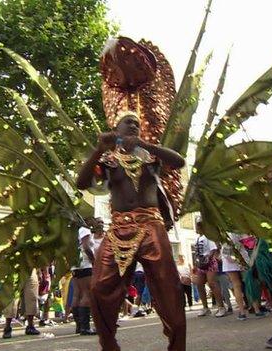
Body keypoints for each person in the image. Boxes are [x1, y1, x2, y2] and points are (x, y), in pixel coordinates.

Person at [76, 110, 186, 351]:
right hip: (117, 228)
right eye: (129, 122)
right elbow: (81, 183)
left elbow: (179, 161)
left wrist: (147, 145)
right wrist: (98, 150)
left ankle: (177, 346)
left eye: (137, 123)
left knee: (169, 288)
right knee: (98, 287)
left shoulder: (150, 157)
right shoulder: (108, 160)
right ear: (117, 129)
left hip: (151, 226)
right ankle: (109, 345)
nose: (134, 125)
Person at [70, 218, 103, 335]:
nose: (95, 224)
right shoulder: (85, 230)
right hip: (85, 264)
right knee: (87, 293)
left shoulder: (74, 232)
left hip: (75, 265)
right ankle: (85, 327)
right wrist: (94, 261)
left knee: (77, 293)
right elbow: (86, 246)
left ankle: (79, 326)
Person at [193, 222, 227, 318]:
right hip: (201, 263)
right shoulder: (198, 238)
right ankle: (205, 307)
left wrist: (207, 258)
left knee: (212, 283)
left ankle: (221, 307)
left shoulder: (208, 237)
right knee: (199, 283)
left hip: (210, 263)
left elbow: (213, 249)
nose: (196, 228)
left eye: (197, 226)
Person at [2, 269, 41, 339]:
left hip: (31, 271)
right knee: (12, 300)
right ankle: (7, 328)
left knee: (32, 297)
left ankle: (30, 326)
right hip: (14, 270)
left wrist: (41, 271)